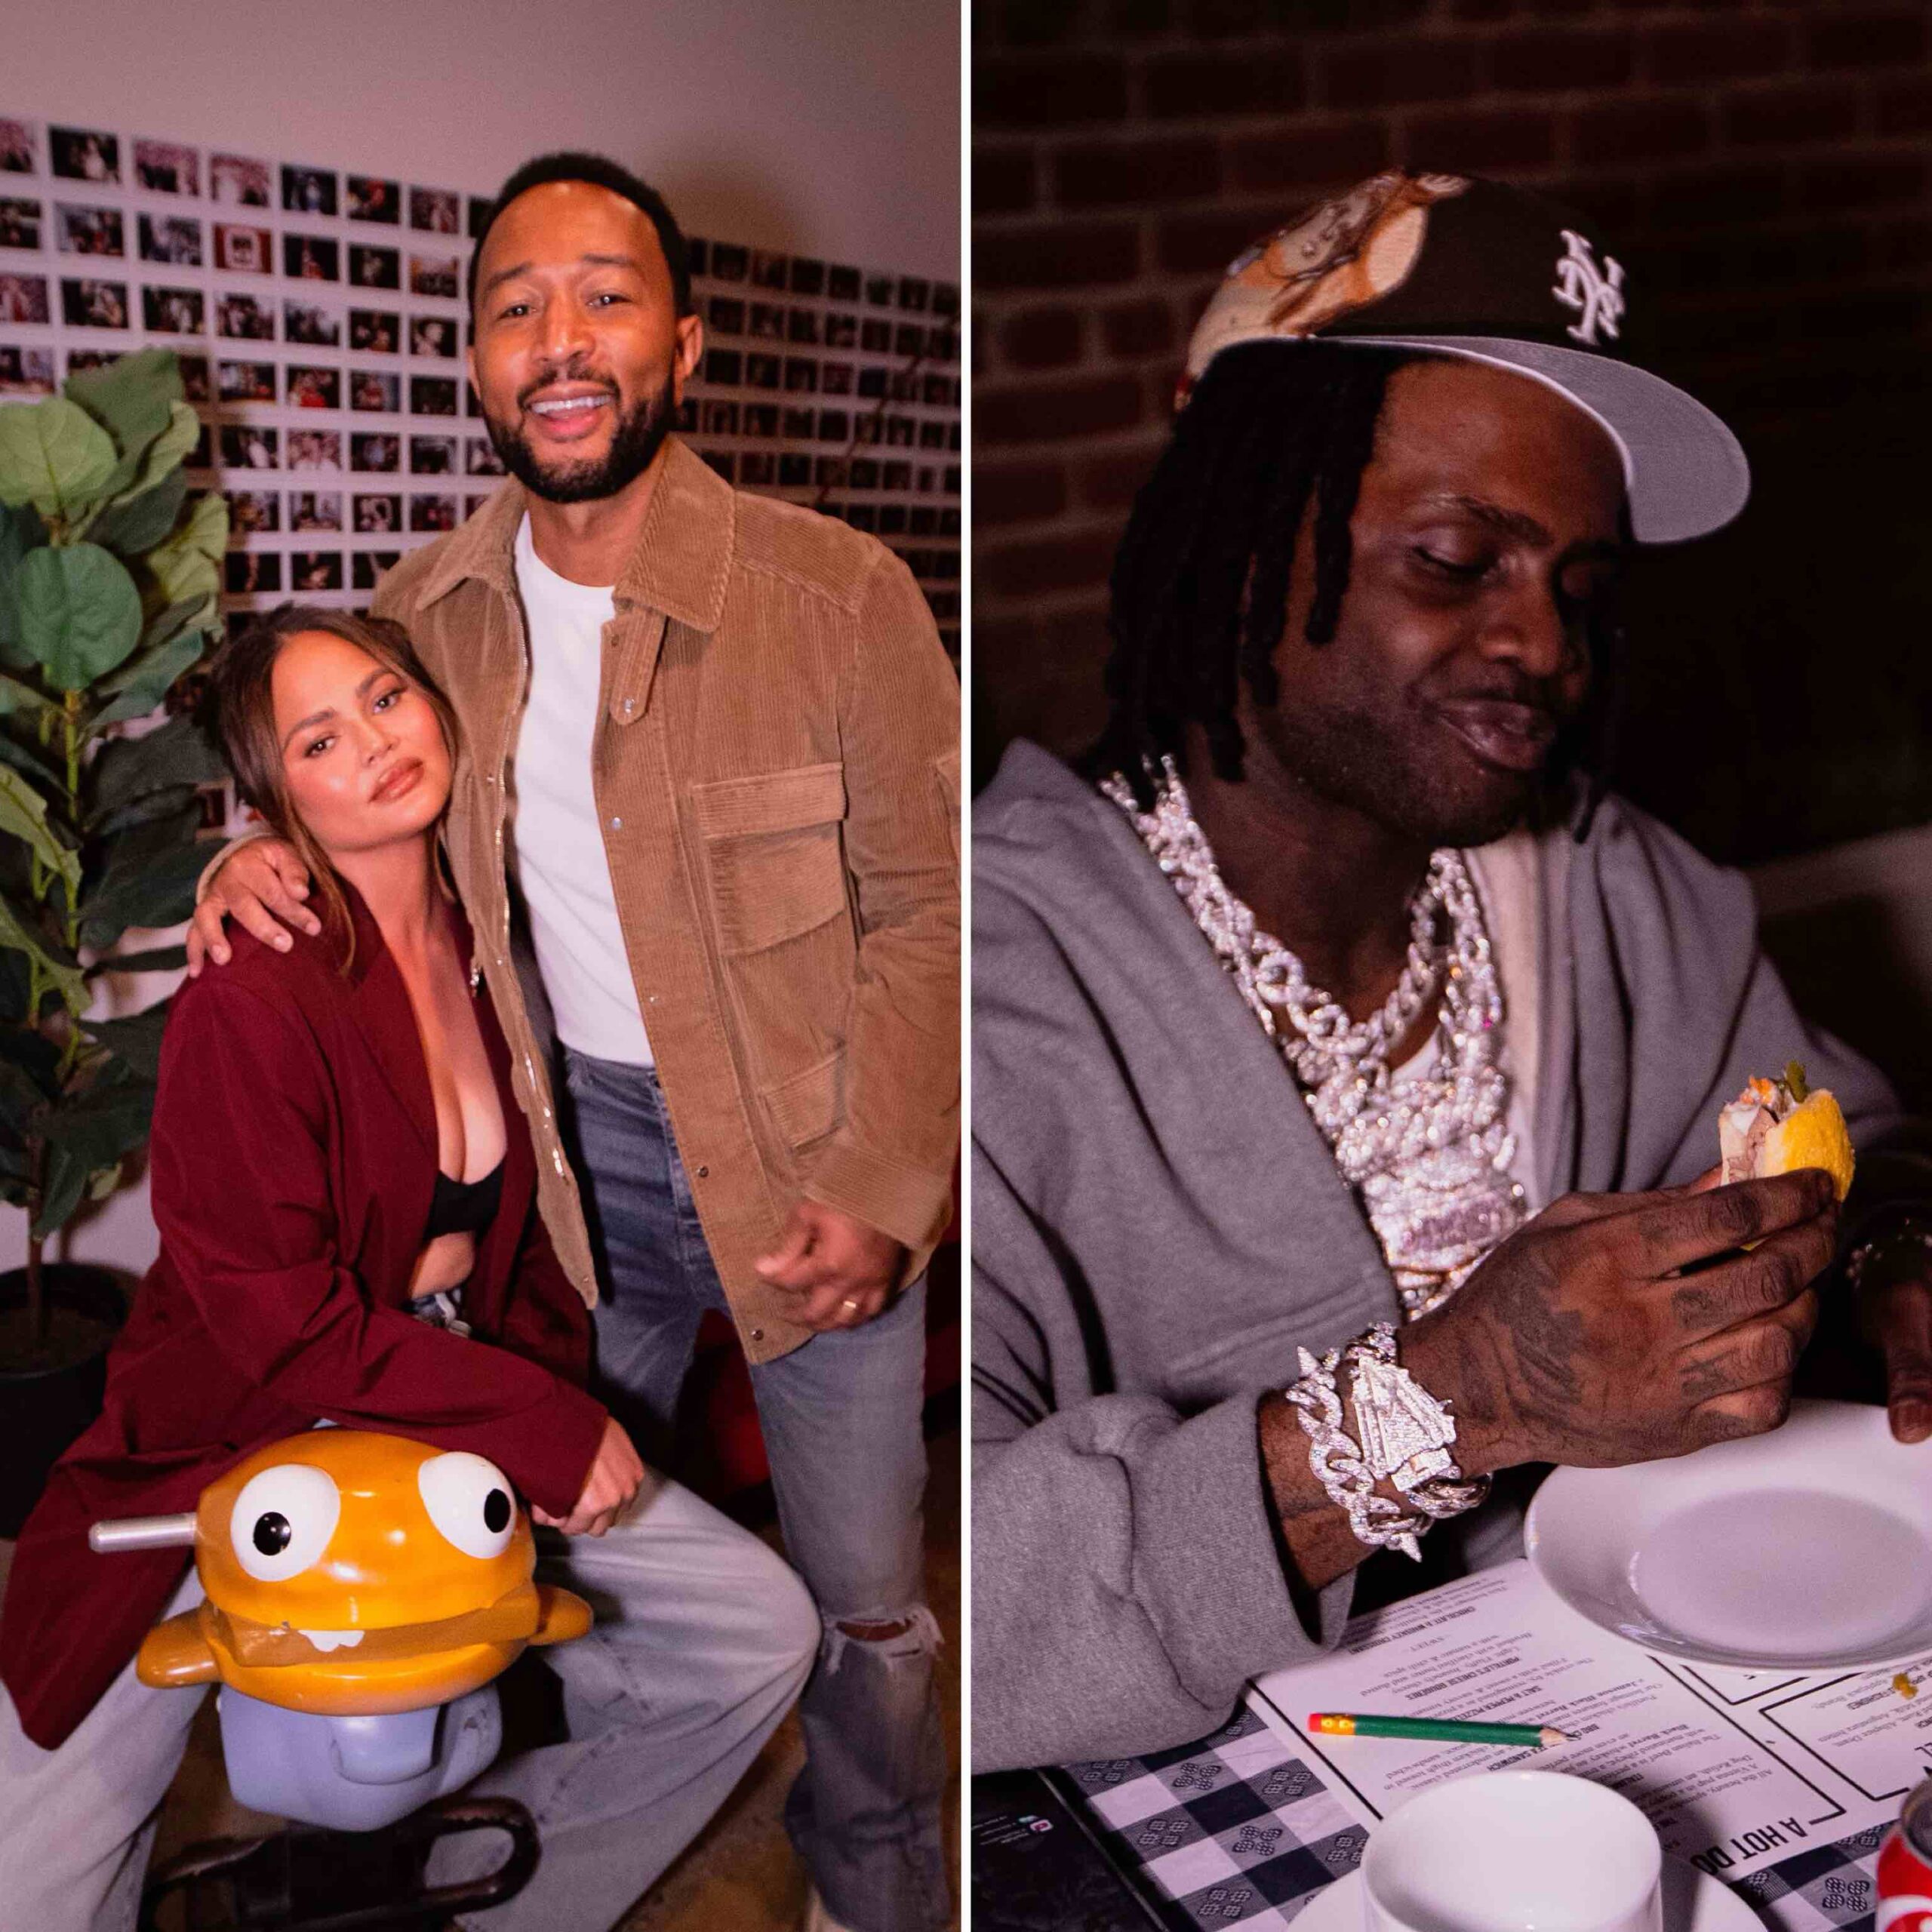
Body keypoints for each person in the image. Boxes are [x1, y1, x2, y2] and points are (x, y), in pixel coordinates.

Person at [971, 171, 1932, 1772]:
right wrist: (1443, 1400)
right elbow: (955, 1623)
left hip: (1643, 1736)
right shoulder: (991, 988)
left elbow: (1852, 1117)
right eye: (1449, 556)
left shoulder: (1614, 888)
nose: (1542, 646)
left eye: (1577, 586)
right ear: (1245, 528)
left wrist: (1897, 1237)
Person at [189, 151, 960, 1932]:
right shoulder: (429, 616)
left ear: (682, 343)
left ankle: (874, 1886)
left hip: (809, 1166)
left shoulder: (838, 597)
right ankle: (557, 1852)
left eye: (604, 294)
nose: (559, 336)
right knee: (580, 1543)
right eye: (514, 302)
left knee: (862, 1600)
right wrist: (253, 850)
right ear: (474, 358)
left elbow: (929, 913)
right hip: (566, 1175)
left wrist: (880, 1189)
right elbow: (348, 782)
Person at [0, 608, 819, 1932]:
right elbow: (277, 1322)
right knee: (38, 1849)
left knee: (757, 1633)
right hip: (245, 1418)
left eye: (387, 700)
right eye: (322, 738)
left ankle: (499, 1909)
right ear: (277, 799)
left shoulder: (501, 948)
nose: (376, 746)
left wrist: (545, 1398)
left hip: (450, 1385)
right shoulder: (250, 992)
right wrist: (543, 1426)